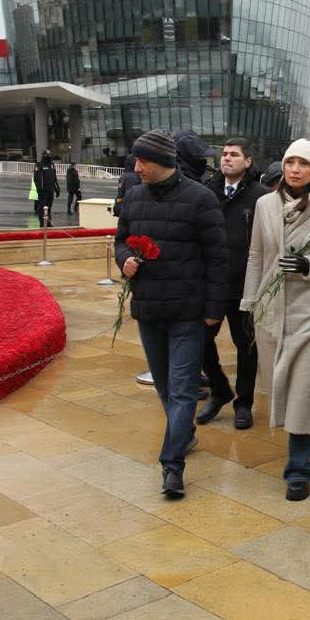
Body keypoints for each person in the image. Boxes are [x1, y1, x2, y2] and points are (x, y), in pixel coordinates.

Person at [115, 129, 229, 498]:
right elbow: (121, 240)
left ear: (163, 162)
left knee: (182, 391)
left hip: (187, 313)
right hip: (149, 309)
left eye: (142, 161)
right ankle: (186, 436)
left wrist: (214, 310)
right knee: (165, 387)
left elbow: (217, 259)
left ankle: (172, 465)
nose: (136, 168)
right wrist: (124, 261)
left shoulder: (201, 199)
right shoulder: (133, 197)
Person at [243, 140, 310, 500]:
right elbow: (257, 255)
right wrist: (250, 301)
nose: (295, 169)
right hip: (272, 311)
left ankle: (298, 470)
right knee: (278, 385)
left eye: (303, 163)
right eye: (290, 162)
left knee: (305, 389)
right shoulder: (264, 205)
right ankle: (297, 451)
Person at [197, 139, 268, 430]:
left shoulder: (261, 197)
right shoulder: (206, 193)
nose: (227, 159)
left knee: (246, 347)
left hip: (245, 287)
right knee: (199, 339)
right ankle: (220, 388)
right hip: (212, 285)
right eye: (224, 154)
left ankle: (244, 403)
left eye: (234, 155)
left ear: (247, 161)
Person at [33, 153, 60, 226]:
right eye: (48, 157)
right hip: (43, 191)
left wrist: (57, 188)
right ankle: (42, 223)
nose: (49, 158)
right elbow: (37, 178)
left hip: (50, 190)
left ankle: (48, 222)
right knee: (42, 207)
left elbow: (54, 177)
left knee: (49, 207)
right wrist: (40, 189)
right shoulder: (39, 165)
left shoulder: (52, 165)